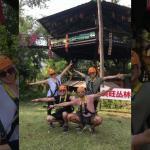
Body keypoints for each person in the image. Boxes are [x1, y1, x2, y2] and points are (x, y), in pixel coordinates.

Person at [131, 50, 150, 150]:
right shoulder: (121, 89)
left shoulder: (147, 89)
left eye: (132, 67)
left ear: (139, 68)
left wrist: (137, 139)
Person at [0, 55, 19, 150]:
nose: (7, 75)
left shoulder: (20, 84)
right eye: (2, 74)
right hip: (7, 141)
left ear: (14, 68)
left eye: (10, 70)